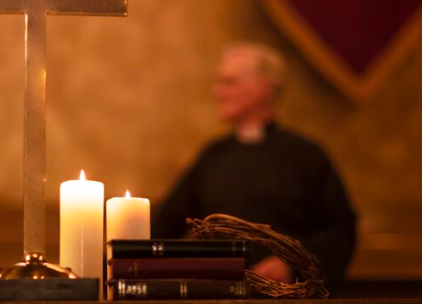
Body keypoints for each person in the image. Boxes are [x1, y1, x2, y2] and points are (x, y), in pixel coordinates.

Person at [153, 43, 357, 289]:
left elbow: (342, 233)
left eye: (228, 82)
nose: (217, 92)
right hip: (219, 298)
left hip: (287, 302)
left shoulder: (306, 155)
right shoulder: (213, 156)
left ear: (263, 88)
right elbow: (165, 225)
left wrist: (292, 266)